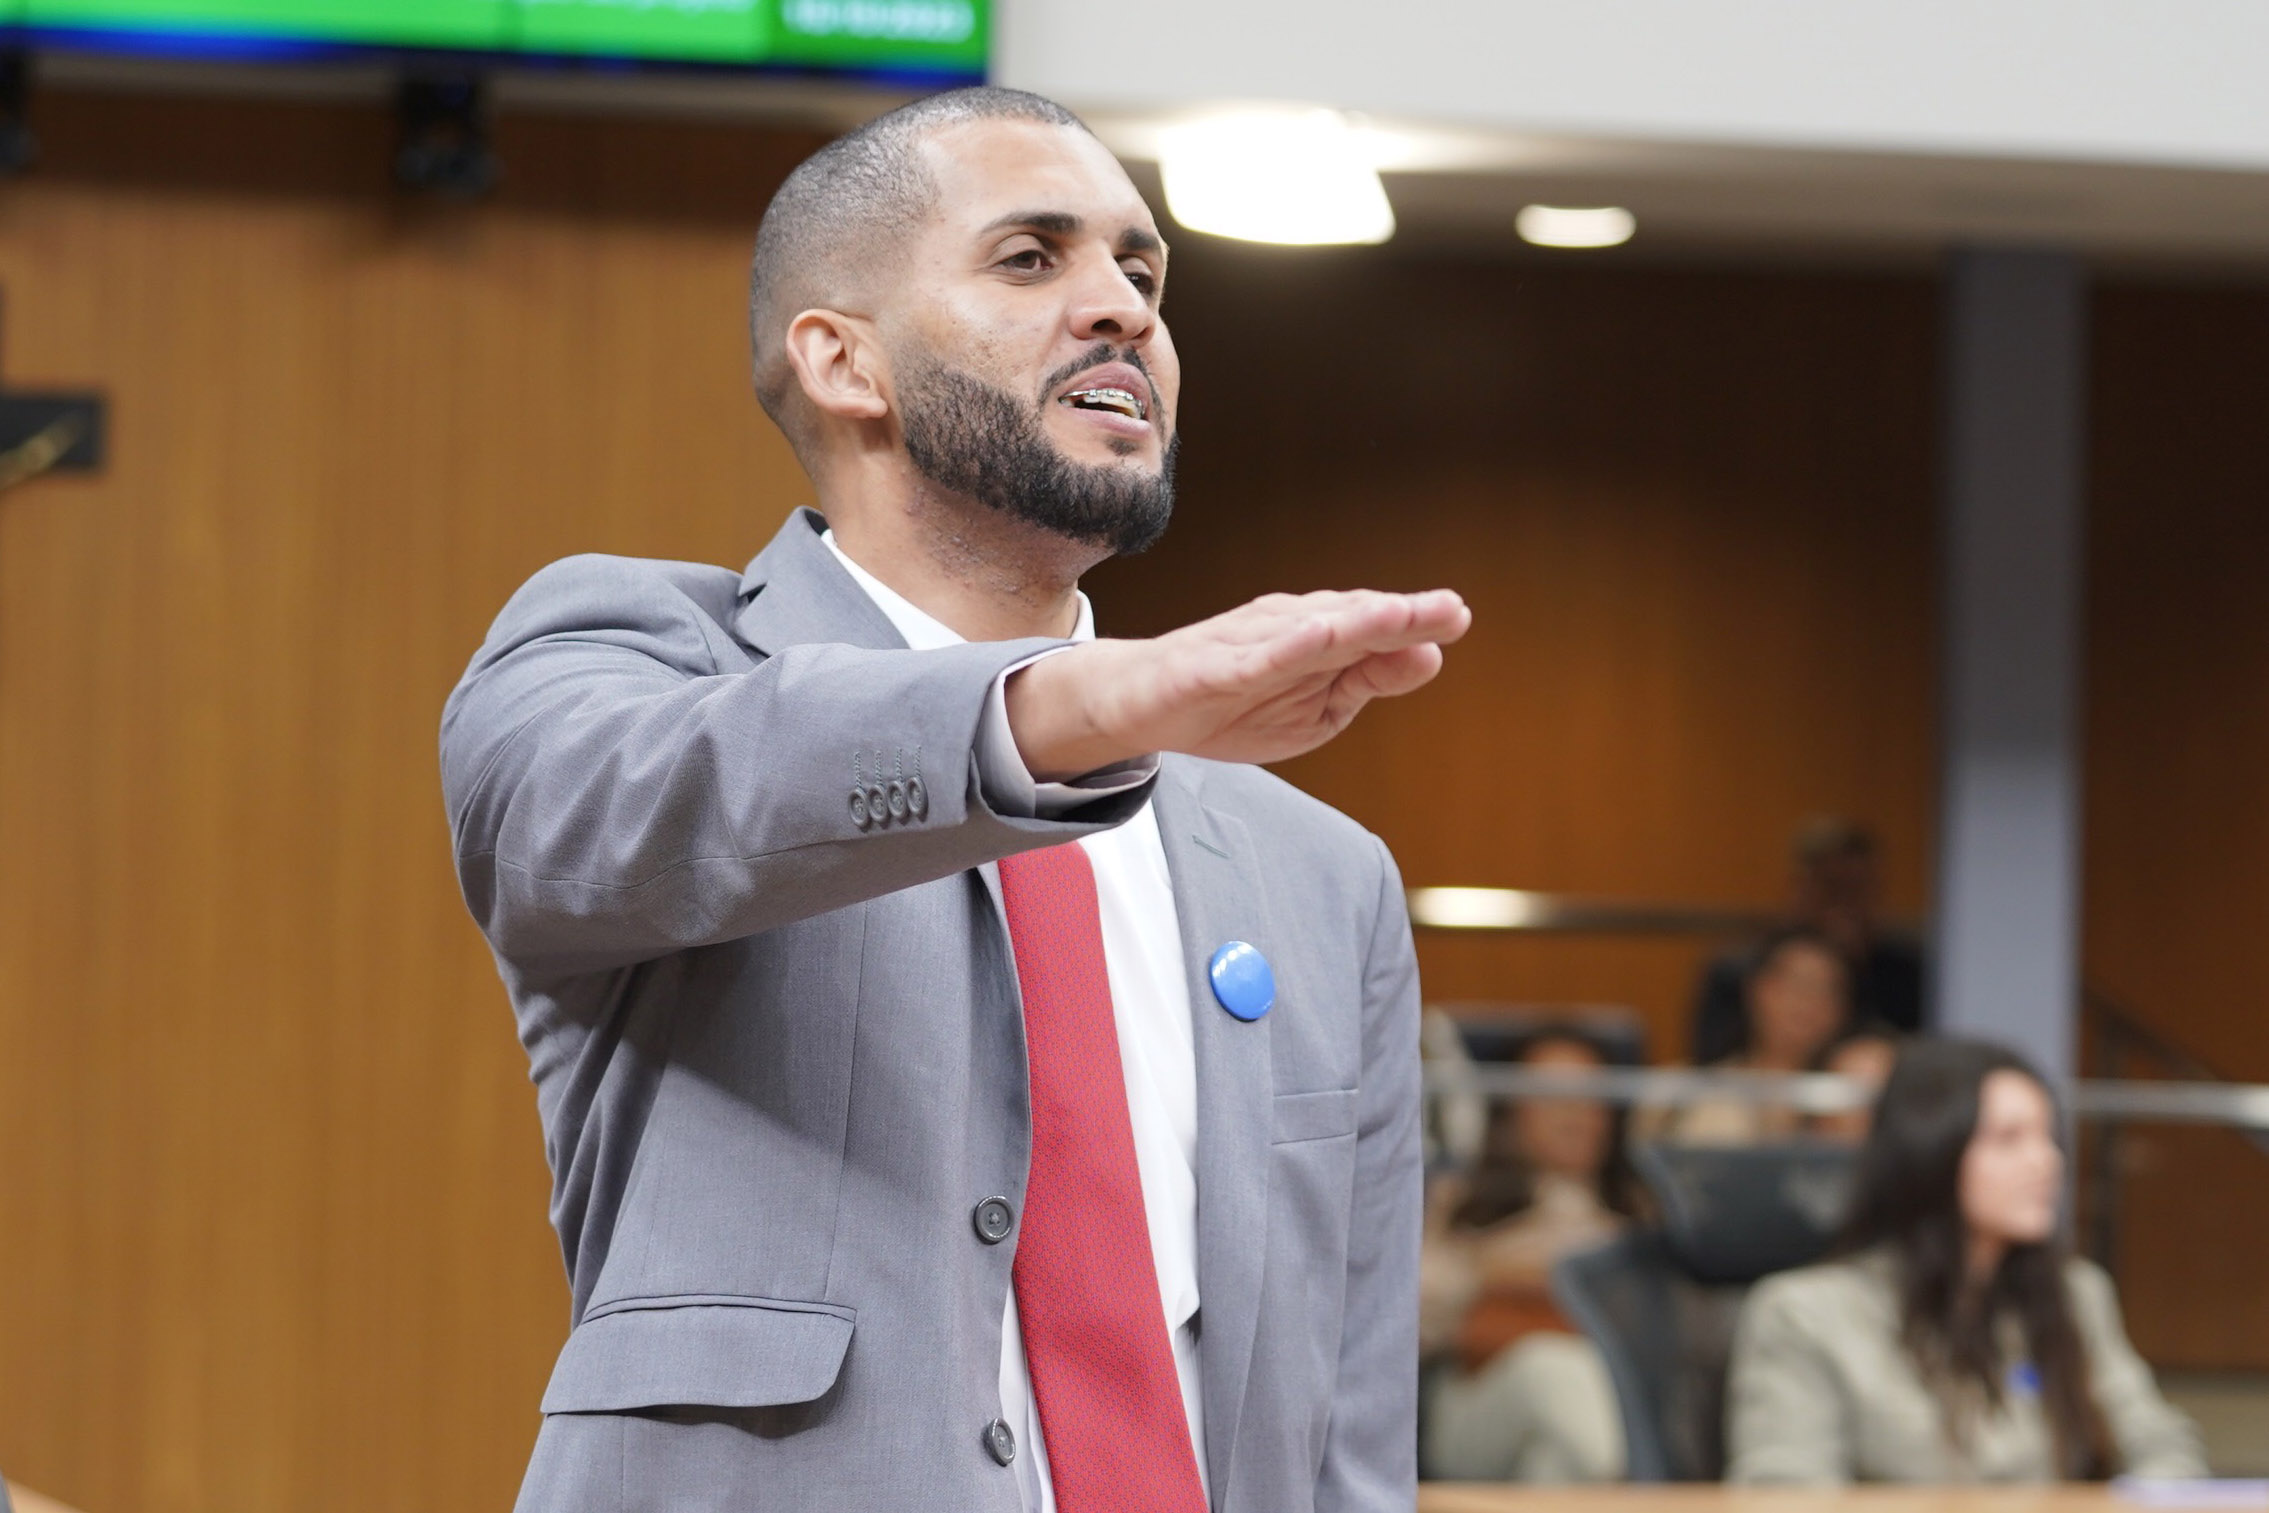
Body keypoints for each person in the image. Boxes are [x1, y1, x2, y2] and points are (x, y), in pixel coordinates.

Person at [440, 87, 1470, 1513]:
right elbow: (607, 817)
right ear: (842, 359)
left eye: (1142, 270)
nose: (1122, 310)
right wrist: (1078, 709)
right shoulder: (630, 662)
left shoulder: (1321, 871)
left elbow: (1348, 1420)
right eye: (1031, 257)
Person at [1726, 1039, 2204, 1484]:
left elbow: (2163, 1445)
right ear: (1932, 1152)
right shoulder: (1805, 1314)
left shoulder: (2077, 1294)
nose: (2046, 1161)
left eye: (2048, 1137)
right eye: (2009, 1139)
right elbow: (1783, 1490)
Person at [1420, 1032, 1629, 1482]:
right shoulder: (1462, 1201)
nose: (1576, 1115)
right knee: (1552, 1368)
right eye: (1555, 1097)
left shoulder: (1641, 1211)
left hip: (1607, 1406)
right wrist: (1488, 1271)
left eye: (1593, 1098)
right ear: (1512, 1113)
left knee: (1555, 1462)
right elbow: (1411, 1312)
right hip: (1479, 1402)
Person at [1690, 818, 1928, 1065]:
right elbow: (1709, 1059)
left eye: (1856, 889)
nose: (1844, 904)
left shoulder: (1906, 971)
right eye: (1832, 887)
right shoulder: (1736, 968)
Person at [1641, 926, 1851, 1145]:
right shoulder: (1675, 1090)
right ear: (1756, 989)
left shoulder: (1849, 1099)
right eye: (1794, 983)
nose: (1807, 1002)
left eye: (1825, 989)